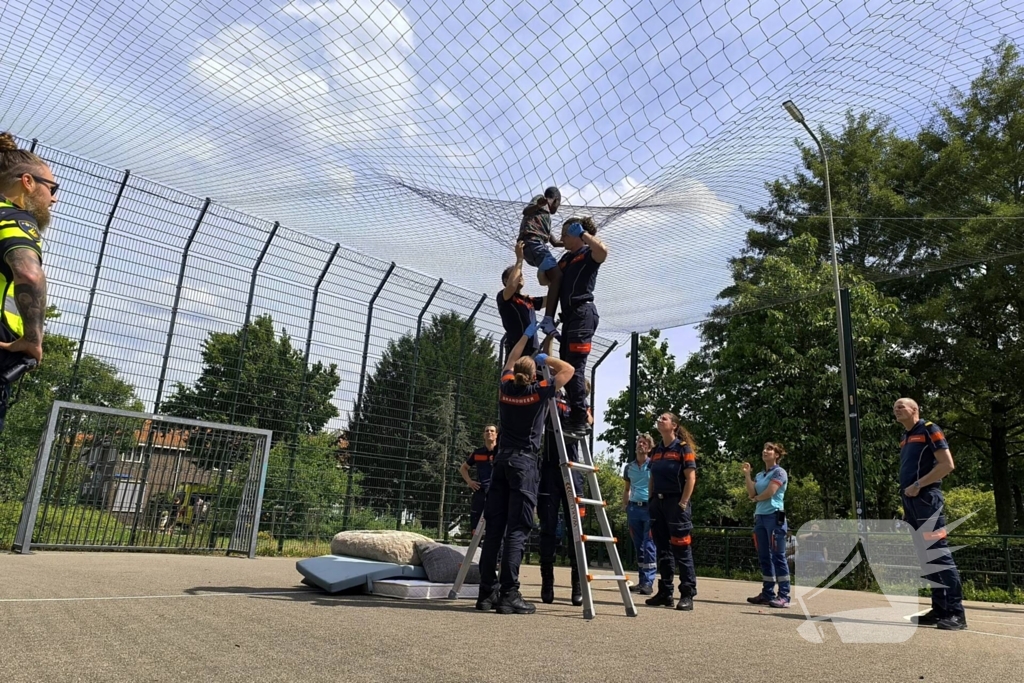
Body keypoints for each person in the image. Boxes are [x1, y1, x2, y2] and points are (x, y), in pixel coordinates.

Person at [476, 323, 574, 615]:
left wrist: (525, 336)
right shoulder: (539, 391)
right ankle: (509, 595)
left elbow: (509, 361)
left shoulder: (505, 388)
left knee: (494, 529)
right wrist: (547, 358)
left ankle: (486, 595)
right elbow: (567, 371)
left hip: (502, 462)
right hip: (524, 464)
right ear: (534, 376)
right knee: (517, 529)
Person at [893, 397, 968, 631]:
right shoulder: (905, 438)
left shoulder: (929, 429)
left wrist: (918, 485)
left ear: (915, 410)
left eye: (901, 406)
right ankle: (939, 609)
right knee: (926, 557)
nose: (896, 409)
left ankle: (957, 613)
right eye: (894, 407)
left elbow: (946, 465)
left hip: (926, 499)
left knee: (939, 554)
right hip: (912, 503)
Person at [0, 132, 53, 432]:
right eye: (52, 187)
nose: (54, 197)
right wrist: (33, 339)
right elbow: (29, 274)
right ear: (27, 182)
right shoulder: (15, 217)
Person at [555, 216, 607, 437]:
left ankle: (579, 416)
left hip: (583, 312)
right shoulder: (566, 259)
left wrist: (584, 235)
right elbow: (545, 280)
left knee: (574, 366)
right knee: (565, 365)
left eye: (566, 234)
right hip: (569, 316)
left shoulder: (587, 253)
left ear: (576, 234)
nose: (563, 238)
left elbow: (603, 252)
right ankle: (578, 412)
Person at [537, 383, 586, 606]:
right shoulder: (550, 397)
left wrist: (582, 409)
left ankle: (577, 585)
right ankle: (547, 582)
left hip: (572, 469)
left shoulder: (578, 404)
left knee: (576, 529)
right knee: (547, 527)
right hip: (549, 469)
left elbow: (589, 422)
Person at [646, 412, 698, 611]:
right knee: (663, 549)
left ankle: (687, 594)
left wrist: (683, 503)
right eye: (659, 418)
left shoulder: (684, 449)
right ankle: (665, 593)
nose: (660, 420)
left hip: (675, 503)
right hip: (657, 504)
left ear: (674, 426)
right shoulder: (656, 450)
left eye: (664, 418)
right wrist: (651, 499)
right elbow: (652, 476)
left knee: (682, 549)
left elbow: (691, 478)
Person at [742, 442, 791, 608]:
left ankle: (784, 596)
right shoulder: (760, 474)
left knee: (778, 555)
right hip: (760, 517)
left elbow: (771, 492)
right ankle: (767, 593)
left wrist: (756, 498)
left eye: (769, 449)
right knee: (764, 556)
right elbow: (751, 492)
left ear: (777, 455)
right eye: (764, 448)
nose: (765, 451)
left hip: (774, 516)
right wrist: (747, 475)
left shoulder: (780, 472)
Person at [517, 187, 562, 337]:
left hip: (535, 248)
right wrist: (541, 203)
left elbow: (555, 242)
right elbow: (526, 211)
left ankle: (543, 272)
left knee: (554, 279)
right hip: (532, 244)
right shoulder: (540, 202)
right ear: (555, 199)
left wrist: (576, 241)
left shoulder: (545, 219)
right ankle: (548, 319)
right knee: (558, 276)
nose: (557, 207)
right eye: (558, 204)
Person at [497, 241, 544, 359]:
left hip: (533, 350)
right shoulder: (504, 297)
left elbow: (550, 299)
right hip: (516, 348)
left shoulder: (528, 300)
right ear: (506, 281)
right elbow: (512, 287)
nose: (520, 277)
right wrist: (519, 260)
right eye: (516, 275)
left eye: (521, 275)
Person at [622, 433, 656, 595]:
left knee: (649, 545)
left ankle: (649, 582)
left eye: (644, 443)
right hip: (634, 509)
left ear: (649, 448)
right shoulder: (629, 467)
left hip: (649, 508)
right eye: (639, 442)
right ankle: (642, 581)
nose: (640, 445)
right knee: (638, 546)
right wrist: (625, 505)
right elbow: (627, 489)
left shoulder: (653, 465)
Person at [459, 424, 498, 533]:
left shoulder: (501, 452)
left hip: (497, 492)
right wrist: (469, 482)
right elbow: (463, 468)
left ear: (496, 435)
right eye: (487, 431)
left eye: (492, 431)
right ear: (483, 435)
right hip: (481, 492)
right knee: (476, 526)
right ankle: (477, 548)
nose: (489, 433)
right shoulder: (478, 453)